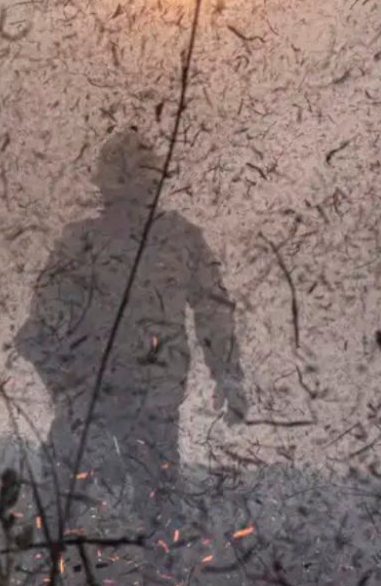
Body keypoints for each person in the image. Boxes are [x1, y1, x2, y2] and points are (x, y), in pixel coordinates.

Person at [16, 129, 246, 526]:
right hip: (100, 408)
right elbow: (37, 334)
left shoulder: (176, 239)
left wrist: (228, 377)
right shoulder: (85, 242)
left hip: (136, 407)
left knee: (151, 520)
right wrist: (71, 397)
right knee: (74, 520)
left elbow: (214, 310)